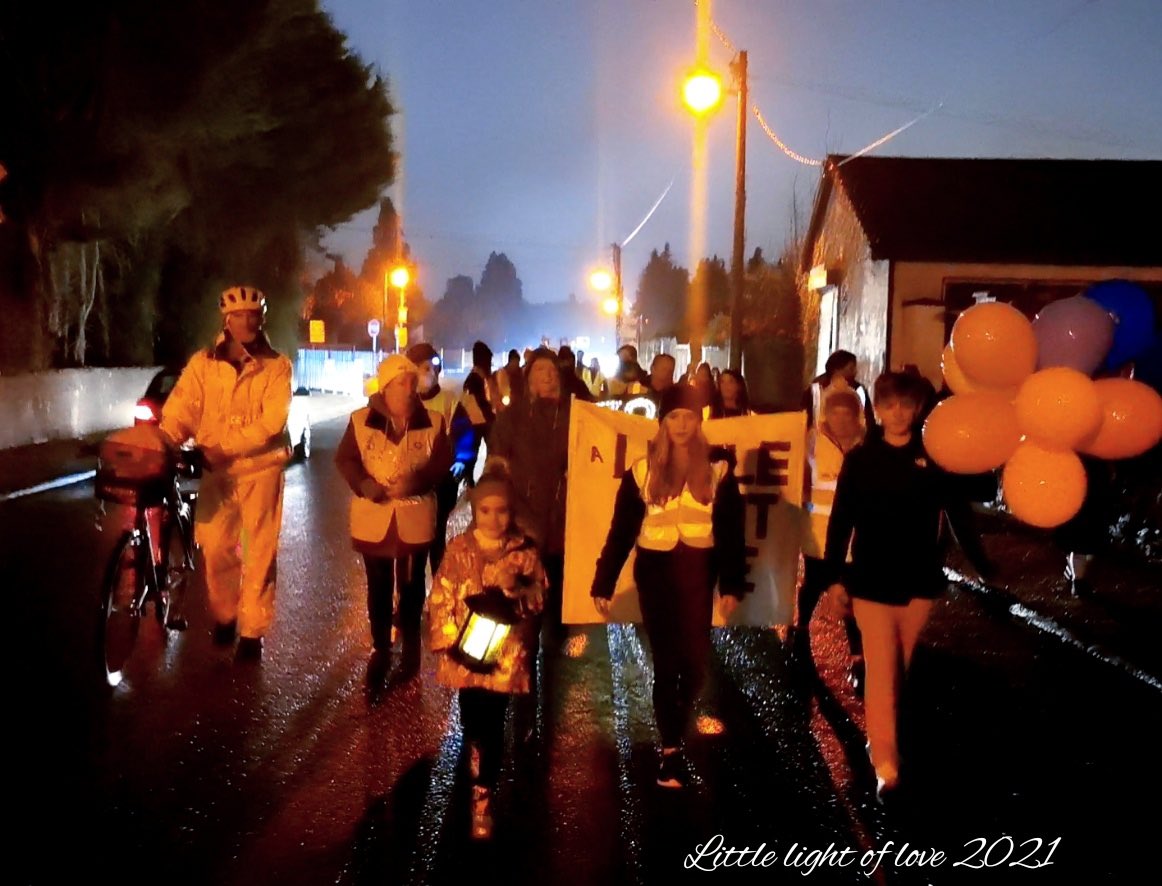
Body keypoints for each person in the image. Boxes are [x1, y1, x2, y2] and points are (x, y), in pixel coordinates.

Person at [824, 372, 995, 802]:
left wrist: (981, 563)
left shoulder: (934, 457)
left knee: (899, 668)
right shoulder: (861, 460)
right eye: (890, 405)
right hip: (872, 580)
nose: (898, 413)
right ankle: (886, 764)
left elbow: (958, 512)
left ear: (917, 409)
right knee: (880, 670)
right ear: (877, 410)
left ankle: (880, 740)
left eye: (906, 405)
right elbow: (841, 521)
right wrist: (832, 580)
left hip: (919, 581)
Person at [591, 384, 748, 789]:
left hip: (699, 572)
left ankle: (677, 721)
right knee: (666, 660)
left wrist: (731, 585)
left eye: (688, 416)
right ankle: (671, 750)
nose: (681, 424)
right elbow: (622, 530)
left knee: (693, 664)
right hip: (656, 572)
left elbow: (731, 532)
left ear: (699, 421)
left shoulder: (718, 469)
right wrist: (603, 581)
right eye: (673, 416)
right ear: (662, 422)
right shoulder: (642, 470)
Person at [159, 285, 292, 661]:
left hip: (260, 470)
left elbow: (271, 422)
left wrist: (223, 448)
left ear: (261, 319)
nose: (247, 321)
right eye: (239, 315)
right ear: (227, 321)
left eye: (254, 314)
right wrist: (166, 438)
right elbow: (182, 406)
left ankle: (252, 632)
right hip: (217, 474)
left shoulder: (277, 366)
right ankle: (226, 615)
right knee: (215, 547)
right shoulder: (203, 363)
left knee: (259, 552)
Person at [425, 462, 547, 840]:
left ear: (512, 513)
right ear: (474, 511)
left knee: (493, 724)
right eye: (485, 510)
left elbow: (539, 598)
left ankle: (483, 792)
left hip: (503, 659)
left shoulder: (524, 553)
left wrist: (517, 590)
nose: (494, 519)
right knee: (472, 718)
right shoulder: (459, 549)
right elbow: (441, 597)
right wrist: (446, 643)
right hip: (466, 653)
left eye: (502, 510)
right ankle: (476, 754)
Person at [336, 354, 453, 674]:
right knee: (378, 583)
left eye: (412, 382)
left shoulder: (434, 421)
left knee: (412, 586)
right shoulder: (361, 420)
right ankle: (381, 645)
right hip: (373, 518)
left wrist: (418, 480)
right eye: (402, 382)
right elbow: (345, 458)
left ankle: (411, 645)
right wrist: (363, 483)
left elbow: (443, 461)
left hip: (414, 519)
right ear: (385, 387)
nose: (409, 388)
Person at [488, 348, 571, 634]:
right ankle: (523, 674)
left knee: (557, 612)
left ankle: (553, 668)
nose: (548, 376)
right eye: (540, 370)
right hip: (523, 525)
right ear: (529, 379)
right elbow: (497, 469)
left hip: (562, 526)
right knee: (524, 615)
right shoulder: (512, 419)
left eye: (552, 371)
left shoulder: (575, 417)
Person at [794, 388, 865, 693]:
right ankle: (801, 628)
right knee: (813, 584)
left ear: (855, 415)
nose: (839, 419)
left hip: (855, 536)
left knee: (853, 592)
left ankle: (858, 654)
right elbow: (797, 476)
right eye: (834, 412)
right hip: (818, 531)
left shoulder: (866, 444)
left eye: (845, 413)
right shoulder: (812, 441)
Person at [408, 342, 460, 574]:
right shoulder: (404, 401)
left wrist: (461, 461)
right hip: (411, 482)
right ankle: (409, 594)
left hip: (441, 482)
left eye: (432, 368)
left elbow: (462, 433)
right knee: (412, 542)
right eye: (422, 368)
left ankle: (440, 589)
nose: (428, 373)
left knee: (436, 534)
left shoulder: (449, 399)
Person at [803, 350, 876, 429]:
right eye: (851, 368)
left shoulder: (858, 389)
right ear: (836, 369)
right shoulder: (816, 389)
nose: (855, 372)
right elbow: (806, 417)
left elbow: (868, 419)